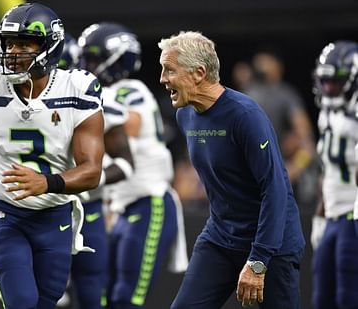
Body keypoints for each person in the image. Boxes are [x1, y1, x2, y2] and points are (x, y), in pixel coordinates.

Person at [0, 3, 104, 309]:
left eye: (24, 43)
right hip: (5, 212)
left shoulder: (77, 89)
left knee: (45, 303)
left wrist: (47, 183)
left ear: (50, 46)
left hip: (55, 214)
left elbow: (91, 170)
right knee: (21, 302)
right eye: (9, 43)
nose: (13, 51)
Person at [158, 31, 305, 309]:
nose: (162, 79)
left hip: (272, 245)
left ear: (199, 73)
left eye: (169, 70)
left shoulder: (245, 115)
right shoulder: (185, 114)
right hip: (221, 238)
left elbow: (274, 190)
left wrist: (259, 260)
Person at [79, 22, 188, 309]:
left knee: (127, 297)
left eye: (92, 59)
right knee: (105, 295)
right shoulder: (96, 94)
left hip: (148, 199)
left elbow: (127, 125)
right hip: (119, 205)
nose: (86, 66)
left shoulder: (131, 90)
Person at [59, 32, 135, 309]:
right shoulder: (20, 105)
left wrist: (90, 180)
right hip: (43, 209)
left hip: (87, 209)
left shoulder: (99, 102)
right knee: (46, 293)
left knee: (92, 293)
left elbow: (127, 163)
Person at [310, 40, 358, 309]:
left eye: (337, 82)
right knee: (322, 299)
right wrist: (320, 214)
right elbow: (326, 171)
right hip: (333, 218)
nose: (329, 89)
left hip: (354, 215)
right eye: (325, 81)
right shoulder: (327, 115)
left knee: (349, 298)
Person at [243, 50, 317, 203]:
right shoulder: (245, 94)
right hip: (249, 174)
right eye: (260, 62)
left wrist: (292, 170)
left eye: (267, 62)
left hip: (277, 172)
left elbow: (306, 139)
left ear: (278, 66)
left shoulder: (286, 95)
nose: (262, 66)